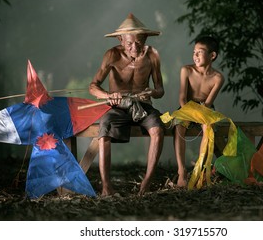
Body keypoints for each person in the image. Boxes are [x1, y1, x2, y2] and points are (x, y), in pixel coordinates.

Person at [89, 13, 165, 196]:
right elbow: (93, 87)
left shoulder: (152, 55)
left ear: (145, 38)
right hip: (118, 106)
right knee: (104, 129)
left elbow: (160, 89)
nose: (134, 47)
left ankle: (146, 182)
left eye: (138, 43)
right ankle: (106, 186)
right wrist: (108, 96)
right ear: (120, 40)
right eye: (129, 43)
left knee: (158, 130)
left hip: (143, 105)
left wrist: (152, 92)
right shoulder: (112, 55)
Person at [173, 36, 225, 187]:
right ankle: (181, 172)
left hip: (205, 108)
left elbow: (208, 103)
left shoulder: (218, 78)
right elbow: (182, 98)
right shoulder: (186, 70)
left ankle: (200, 171)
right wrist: (189, 112)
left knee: (209, 128)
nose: (194, 56)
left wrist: (200, 113)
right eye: (194, 52)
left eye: (199, 52)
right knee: (178, 126)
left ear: (212, 55)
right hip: (187, 107)